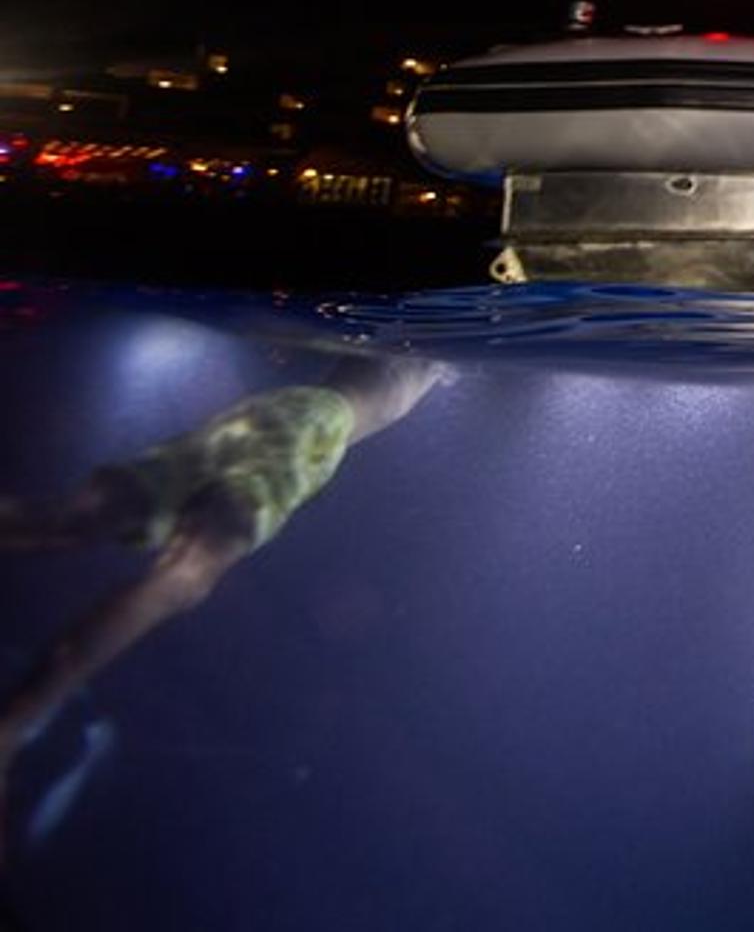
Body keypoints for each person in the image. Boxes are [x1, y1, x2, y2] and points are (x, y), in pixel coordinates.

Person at [0, 354, 446, 864]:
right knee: (183, 580)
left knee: (71, 520)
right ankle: (14, 725)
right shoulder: (437, 350)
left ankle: (16, 724)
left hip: (272, 414)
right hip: (313, 430)